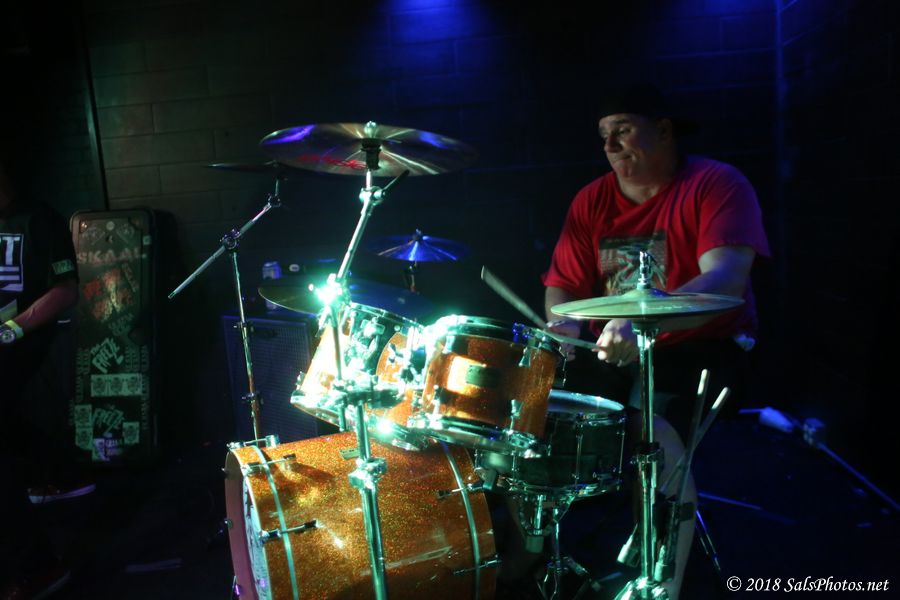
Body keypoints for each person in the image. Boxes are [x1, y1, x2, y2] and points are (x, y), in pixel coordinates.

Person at [541, 84, 771, 598]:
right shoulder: (591, 199)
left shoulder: (716, 184)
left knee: (655, 427)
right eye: (604, 136)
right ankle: (527, 555)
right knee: (533, 411)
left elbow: (727, 278)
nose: (610, 146)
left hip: (703, 347)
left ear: (663, 130)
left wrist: (644, 322)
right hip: (615, 350)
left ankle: (661, 580)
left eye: (622, 131)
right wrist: (564, 328)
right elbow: (563, 288)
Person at [0, 154, 86, 597]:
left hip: (22, 335)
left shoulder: (40, 219)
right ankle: (56, 474)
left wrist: (10, 330)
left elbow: (66, 291)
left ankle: (37, 568)